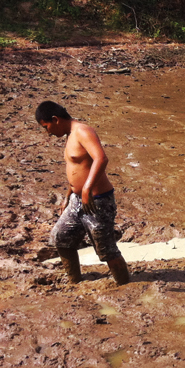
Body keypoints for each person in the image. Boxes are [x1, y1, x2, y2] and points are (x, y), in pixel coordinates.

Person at [35, 101, 130, 285]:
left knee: (106, 250)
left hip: (97, 201)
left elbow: (101, 158)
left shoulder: (83, 131)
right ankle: (74, 281)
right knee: (60, 237)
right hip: (77, 200)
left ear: (55, 120)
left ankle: (125, 285)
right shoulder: (69, 135)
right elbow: (78, 167)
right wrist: (68, 194)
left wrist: (86, 188)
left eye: (46, 127)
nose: (48, 133)